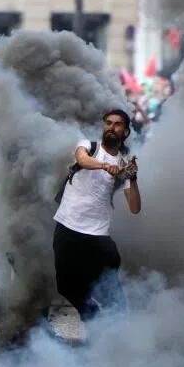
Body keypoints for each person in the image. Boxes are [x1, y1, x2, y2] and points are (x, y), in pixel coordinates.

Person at [52, 109, 142, 327]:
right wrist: (104, 166)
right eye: (108, 123)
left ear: (126, 131)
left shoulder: (125, 164)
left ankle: (123, 333)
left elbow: (135, 207)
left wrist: (132, 177)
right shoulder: (89, 147)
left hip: (97, 235)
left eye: (118, 124)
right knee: (65, 286)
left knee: (109, 288)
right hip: (67, 227)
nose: (112, 127)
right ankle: (94, 322)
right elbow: (82, 160)